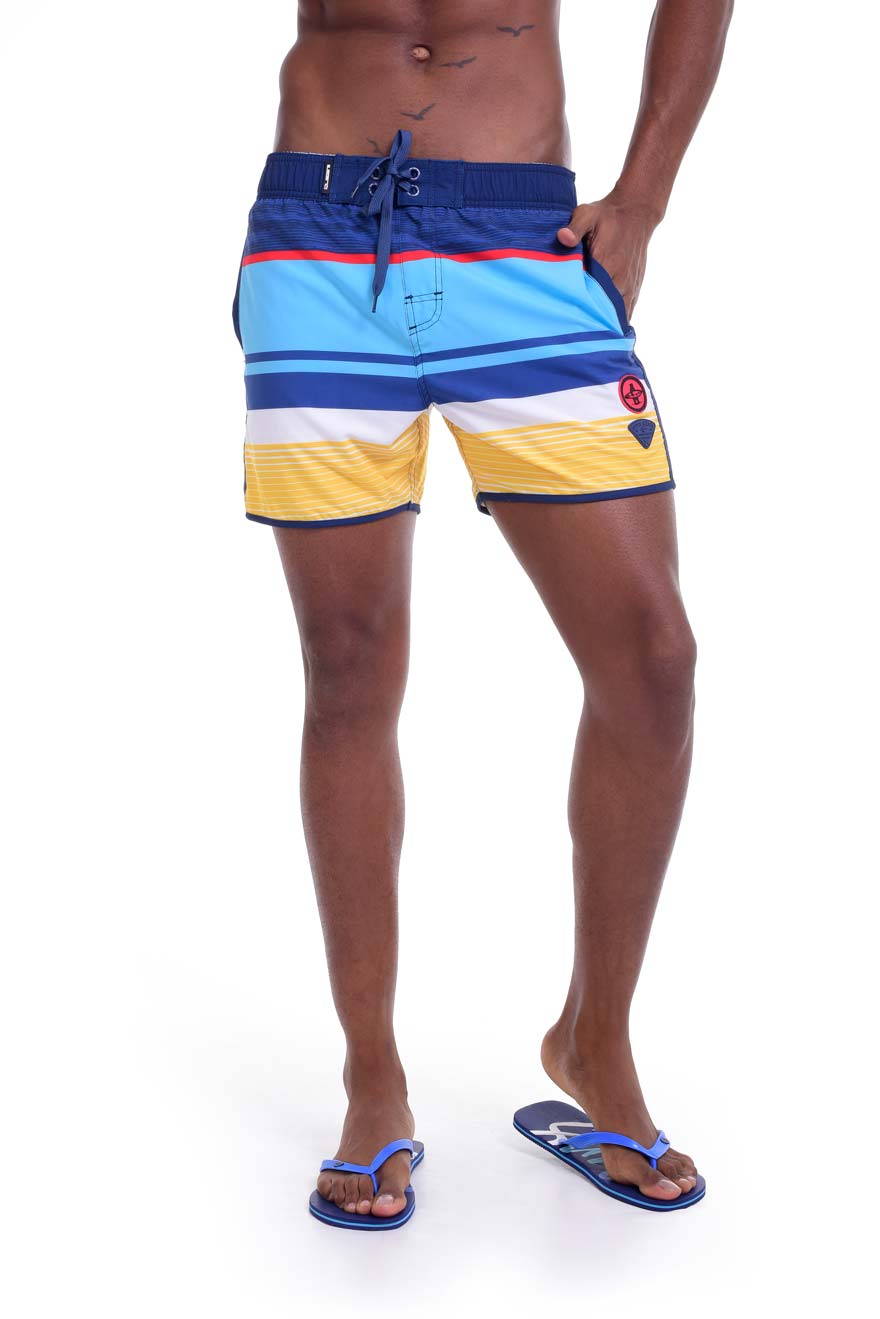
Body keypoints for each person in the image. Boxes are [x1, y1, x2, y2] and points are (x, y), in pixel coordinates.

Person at [233, 0, 733, 1227]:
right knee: (347, 669)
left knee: (652, 660)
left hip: (526, 242)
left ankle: (593, 1037)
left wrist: (644, 197)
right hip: (319, 240)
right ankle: (372, 1078)